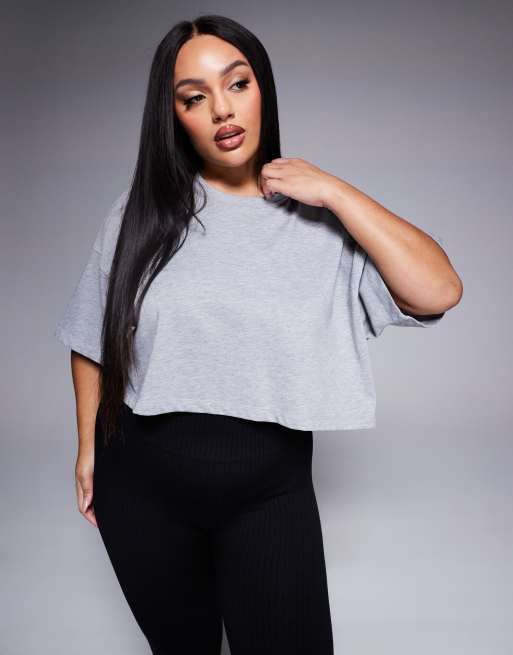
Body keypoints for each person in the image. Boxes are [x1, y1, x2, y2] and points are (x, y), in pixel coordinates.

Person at [54, 14, 463, 655]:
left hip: (268, 492)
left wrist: (335, 190)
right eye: (194, 98)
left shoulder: (321, 220)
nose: (222, 109)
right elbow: (91, 335)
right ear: (174, 117)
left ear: (262, 90)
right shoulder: (142, 210)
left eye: (237, 84)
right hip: (140, 488)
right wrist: (87, 450)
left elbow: (439, 289)